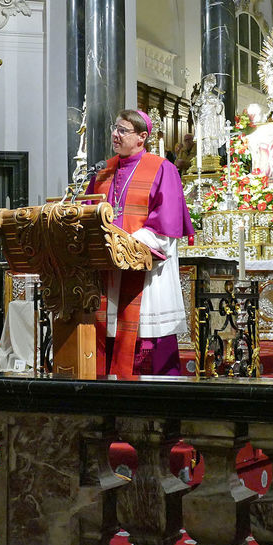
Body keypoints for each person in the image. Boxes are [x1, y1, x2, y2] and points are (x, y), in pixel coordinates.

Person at [87, 109, 195, 377]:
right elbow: (87, 212)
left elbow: (165, 226)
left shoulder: (162, 169)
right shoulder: (103, 172)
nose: (115, 134)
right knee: (107, 329)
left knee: (145, 335)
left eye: (123, 130)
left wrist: (124, 243)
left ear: (142, 137)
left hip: (145, 271)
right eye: (115, 127)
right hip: (108, 271)